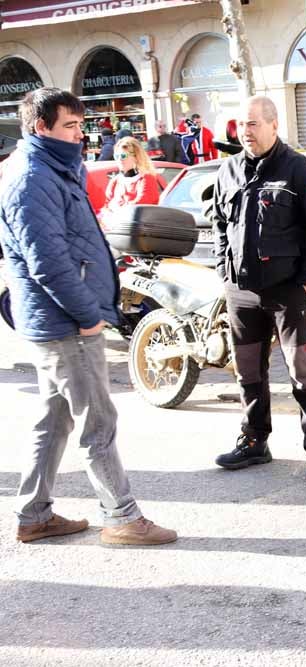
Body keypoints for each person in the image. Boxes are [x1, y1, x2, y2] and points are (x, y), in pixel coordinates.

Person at [0, 88, 176, 545]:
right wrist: (86, 315)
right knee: (97, 422)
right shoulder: (32, 177)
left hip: (57, 320)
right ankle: (122, 517)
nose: (81, 135)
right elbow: (48, 261)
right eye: (70, 126)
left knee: (54, 419)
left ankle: (33, 514)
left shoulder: (51, 168)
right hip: (64, 323)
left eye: (81, 125)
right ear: (40, 127)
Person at [208, 95, 306, 482]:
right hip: (241, 293)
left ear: (273, 125)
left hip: (287, 292)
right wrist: (224, 269)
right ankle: (254, 442)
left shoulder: (300, 170)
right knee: (247, 372)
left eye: (252, 124)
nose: (245, 132)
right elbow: (220, 224)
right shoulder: (229, 170)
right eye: (241, 125)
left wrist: (305, 278)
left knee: (303, 374)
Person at [98, 136, 161, 227]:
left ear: (136, 157)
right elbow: (104, 205)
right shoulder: (115, 180)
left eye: (123, 156)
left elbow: (139, 207)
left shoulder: (146, 178)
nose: (120, 160)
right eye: (117, 156)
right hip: (115, 230)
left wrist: (116, 209)